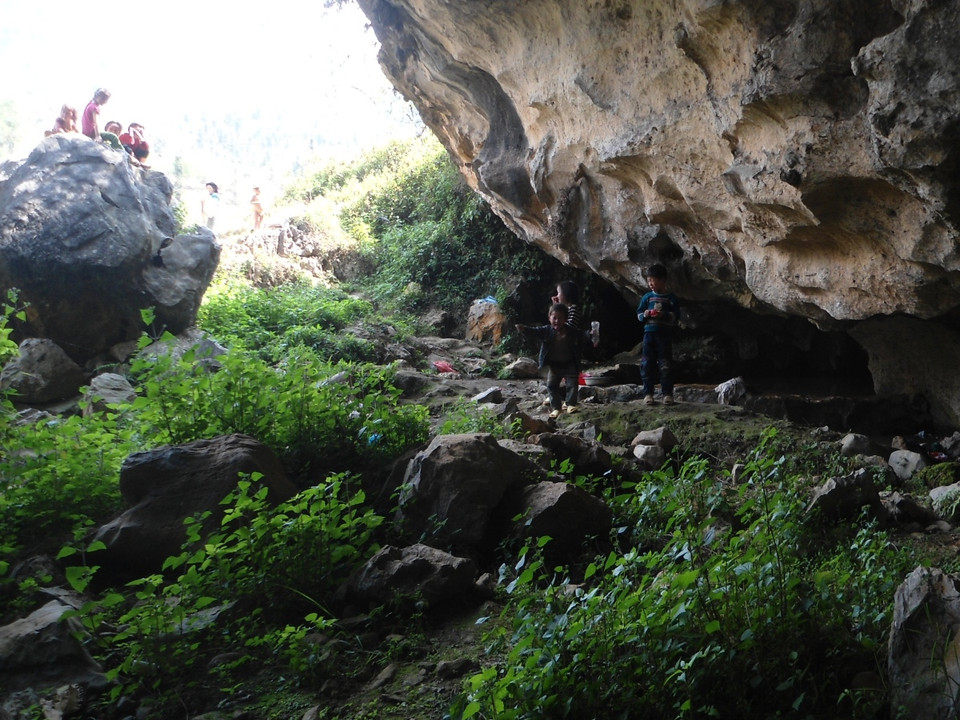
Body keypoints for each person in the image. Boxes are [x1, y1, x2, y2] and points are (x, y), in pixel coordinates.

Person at [516, 303, 596, 418]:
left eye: (561, 318)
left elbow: (582, 335)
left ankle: (570, 404)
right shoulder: (546, 330)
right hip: (554, 365)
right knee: (552, 386)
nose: (557, 321)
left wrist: (590, 334)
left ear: (566, 319)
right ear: (549, 318)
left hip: (570, 363)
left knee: (572, 385)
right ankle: (556, 407)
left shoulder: (571, 331)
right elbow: (535, 331)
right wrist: (524, 329)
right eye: (554, 318)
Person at [636, 263, 681, 406]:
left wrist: (664, 315)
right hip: (649, 336)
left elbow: (676, 317)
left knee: (665, 364)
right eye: (648, 281)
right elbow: (638, 315)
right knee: (646, 363)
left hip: (664, 336)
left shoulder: (671, 298)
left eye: (653, 280)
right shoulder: (647, 298)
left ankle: (667, 394)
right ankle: (648, 393)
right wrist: (646, 314)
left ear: (663, 280)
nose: (650, 284)